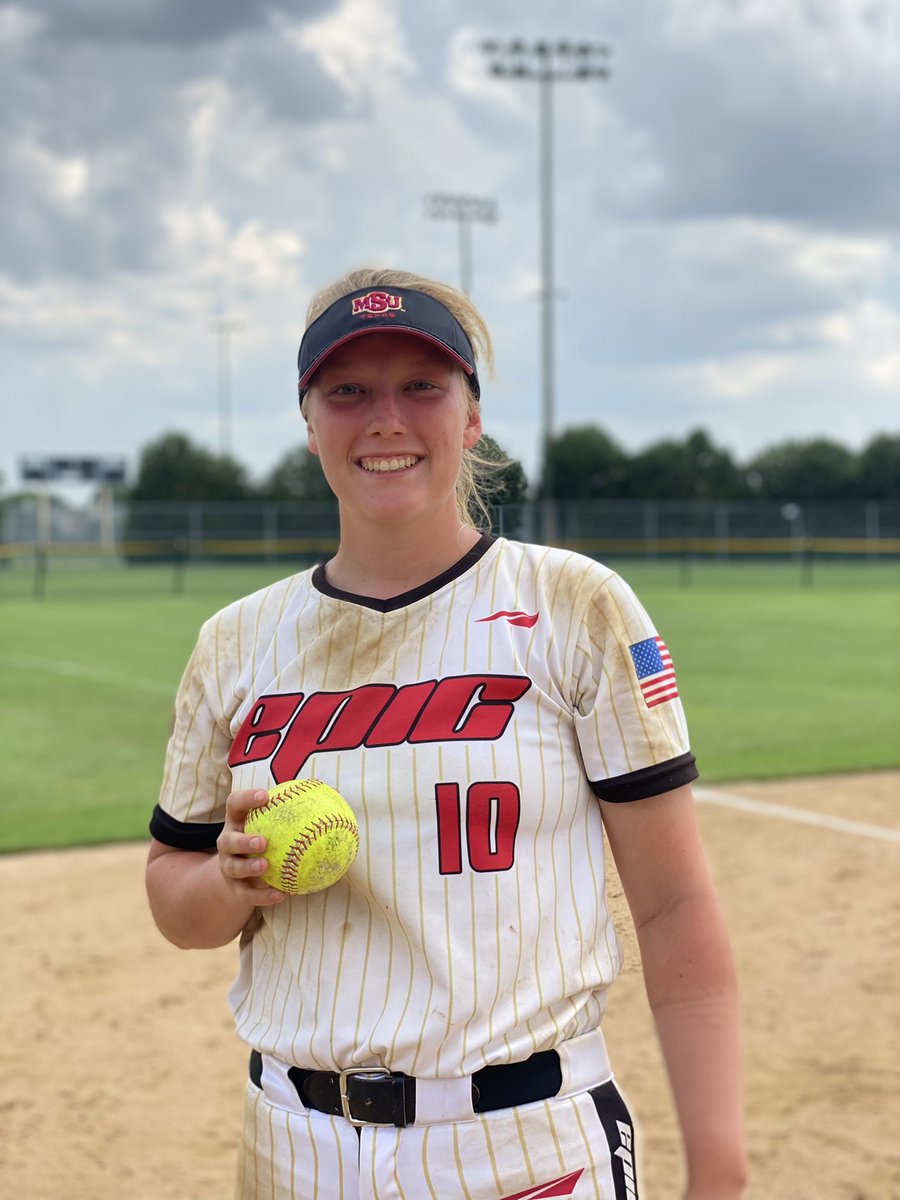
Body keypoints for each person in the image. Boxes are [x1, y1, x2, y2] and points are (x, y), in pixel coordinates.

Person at [146, 267, 747, 1200]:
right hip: (293, 1148)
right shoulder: (235, 643)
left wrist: (718, 1164)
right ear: (310, 426)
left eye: (422, 385)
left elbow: (673, 907)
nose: (386, 417)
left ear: (470, 417)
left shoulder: (573, 606)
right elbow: (171, 895)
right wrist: (226, 882)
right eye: (348, 390)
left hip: (523, 1147)